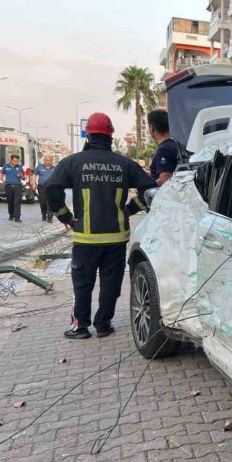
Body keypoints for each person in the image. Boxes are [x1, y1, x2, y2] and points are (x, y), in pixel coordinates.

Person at [46, 112, 157, 339]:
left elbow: (51, 189)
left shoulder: (73, 163)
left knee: (83, 284)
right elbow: (151, 189)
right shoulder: (124, 163)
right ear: (110, 136)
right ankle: (104, 325)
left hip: (86, 238)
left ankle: (81, 327)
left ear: (88, 135)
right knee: (110, 283)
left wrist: (65, 217)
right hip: (116, 237)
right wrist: (131, 209)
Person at [147, 109, 185, 186]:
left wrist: (146, 184)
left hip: (164, 196)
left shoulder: (163, 150)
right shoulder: (177, 145)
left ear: (152, 128)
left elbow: (165, 180)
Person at [1, 153, 25, 222]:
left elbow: (24, 178)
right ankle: (11, 215)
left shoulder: (19, 167)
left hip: (17, 186)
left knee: (17, 202)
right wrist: (2, 180)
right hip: (8, 186)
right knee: (10, 201)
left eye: (17, 161)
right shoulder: (6, 166)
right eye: (14, 161)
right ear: (10, 160)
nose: (16, 162)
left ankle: (17, 217)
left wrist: (21, 176)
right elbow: (2, 173)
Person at [34, 155, 56, 222]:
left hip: (51, 187)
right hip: (41, 187)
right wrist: (33, 184)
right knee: (42, 202)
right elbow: (34, 175)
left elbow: (59, 177)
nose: (48, 161)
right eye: (46, 160)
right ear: (44, 160)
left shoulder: (55, 168)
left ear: (52, 161)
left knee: (50, 202)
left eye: (49, 160)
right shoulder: (39, 167)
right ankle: (44, 214)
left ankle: (50, 217)